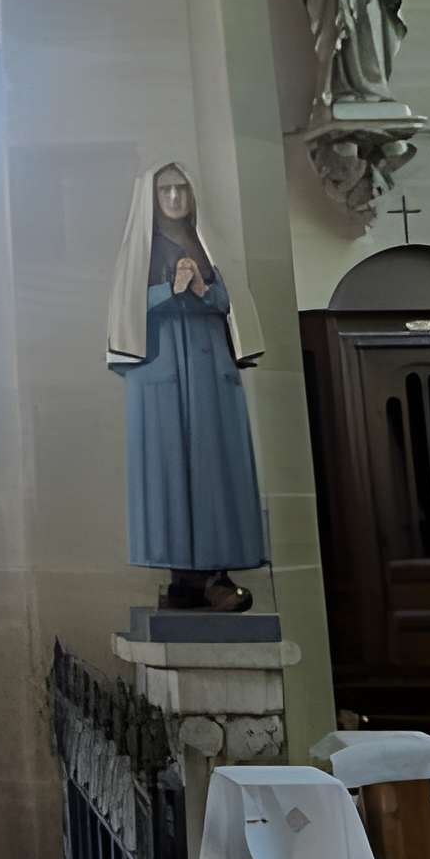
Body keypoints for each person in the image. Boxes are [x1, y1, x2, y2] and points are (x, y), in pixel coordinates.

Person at [106, 162, 265, 611]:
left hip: (209, 363)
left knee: (218, 462)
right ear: (151, 199)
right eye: (165, 191)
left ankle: (219, 570)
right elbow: (126, 307)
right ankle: (184, 576)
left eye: (181, 189)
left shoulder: (210, 244)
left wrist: (201, 289)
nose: (175, 198)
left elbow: (229, 301)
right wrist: (169, 291)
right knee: (170, 465)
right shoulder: (142, 247)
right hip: (161, 367)